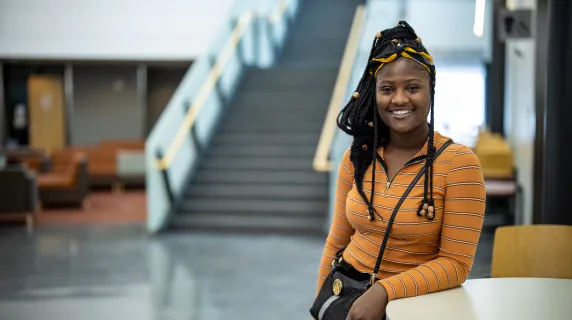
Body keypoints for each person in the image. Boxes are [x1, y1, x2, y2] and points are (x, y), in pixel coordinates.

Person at [314, 21, 486, 319]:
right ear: (374, 95)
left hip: (414, 306)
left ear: (431, 90)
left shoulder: (459, 164)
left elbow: (455, 264)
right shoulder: (357, 157)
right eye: (387, 89)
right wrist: (321, 305)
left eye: (413, 87)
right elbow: (337, 240)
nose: (400, 99)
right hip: (346, 296)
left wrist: (385, 291)